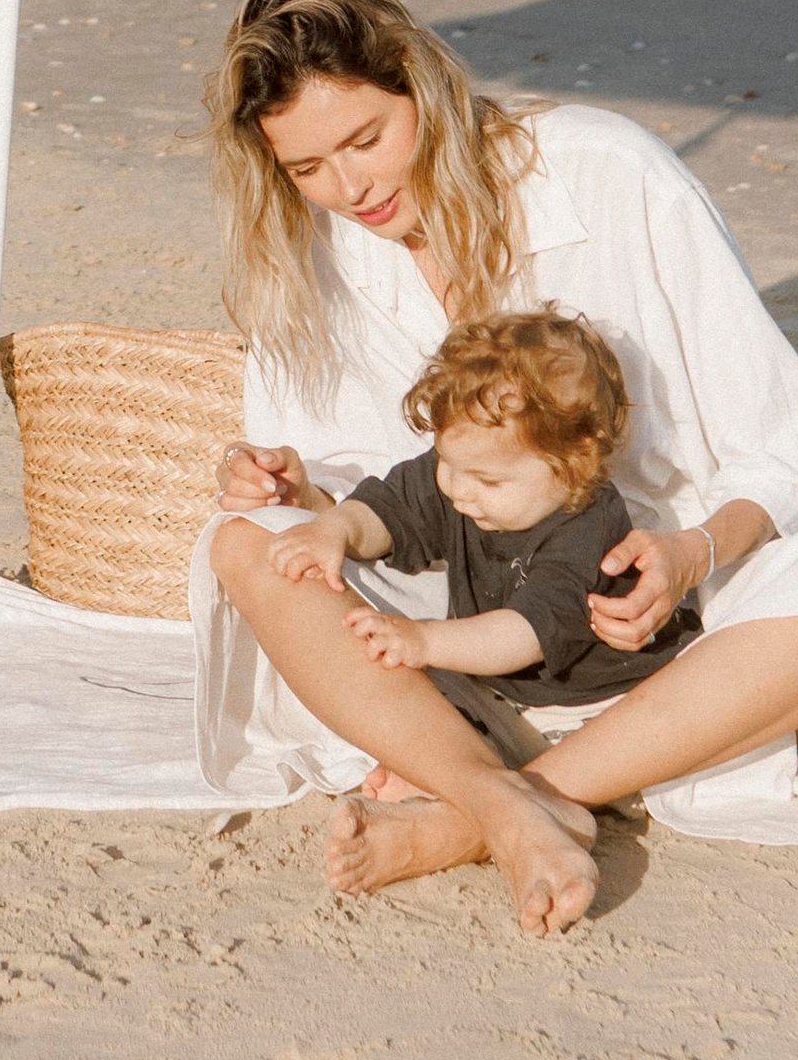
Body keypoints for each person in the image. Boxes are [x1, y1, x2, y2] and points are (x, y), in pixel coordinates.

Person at [193, 0, 798, 937]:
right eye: (305, 169)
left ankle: (480, 808)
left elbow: (780, 451)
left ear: (423, 83)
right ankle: (517, 802)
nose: (348, 186)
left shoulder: (607, 172)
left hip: (662, 608)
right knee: (246, 539)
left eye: (366, 139)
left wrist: (689, 555)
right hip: (459, 612)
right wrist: (292, 480)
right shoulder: (314, 248)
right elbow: (351, 470)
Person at [273, 309, 703, 744]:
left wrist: (423, 639)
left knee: (615, 749)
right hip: (501, 689)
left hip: (602, 698)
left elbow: (524, 633)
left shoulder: (589, 530)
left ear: (575, 468)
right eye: (445, 462)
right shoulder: (467, 470)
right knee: (409, 696)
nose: (458, 490)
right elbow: (388, 510)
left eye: (489, 481)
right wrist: (337, 528)